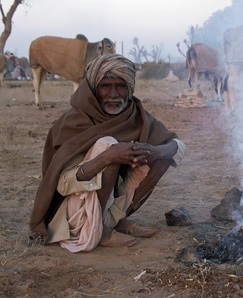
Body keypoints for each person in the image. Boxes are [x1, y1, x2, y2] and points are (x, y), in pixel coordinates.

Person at [29, 54, 186, 252]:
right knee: (108, 145)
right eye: (105, 86)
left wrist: (156, 151)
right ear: (94, 88)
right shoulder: (74, 120)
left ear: (129, 88)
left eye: (120, 86)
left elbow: (177, 144)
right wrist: (107, 157)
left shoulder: (135, 114)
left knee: (162, 154)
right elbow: (62, 183)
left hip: (112, 201)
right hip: (75, 210)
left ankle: (116, 221)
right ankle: (100, 229)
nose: (113, 94)